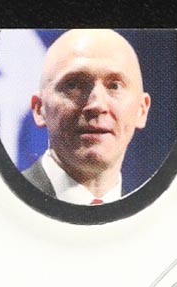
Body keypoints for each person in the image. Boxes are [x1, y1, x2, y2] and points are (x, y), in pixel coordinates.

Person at [23, 30, 151, 205]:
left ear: (142, 110)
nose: (97, 105)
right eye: (73, 85)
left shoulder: (160, 218)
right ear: (39, 109)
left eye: (114, 86)